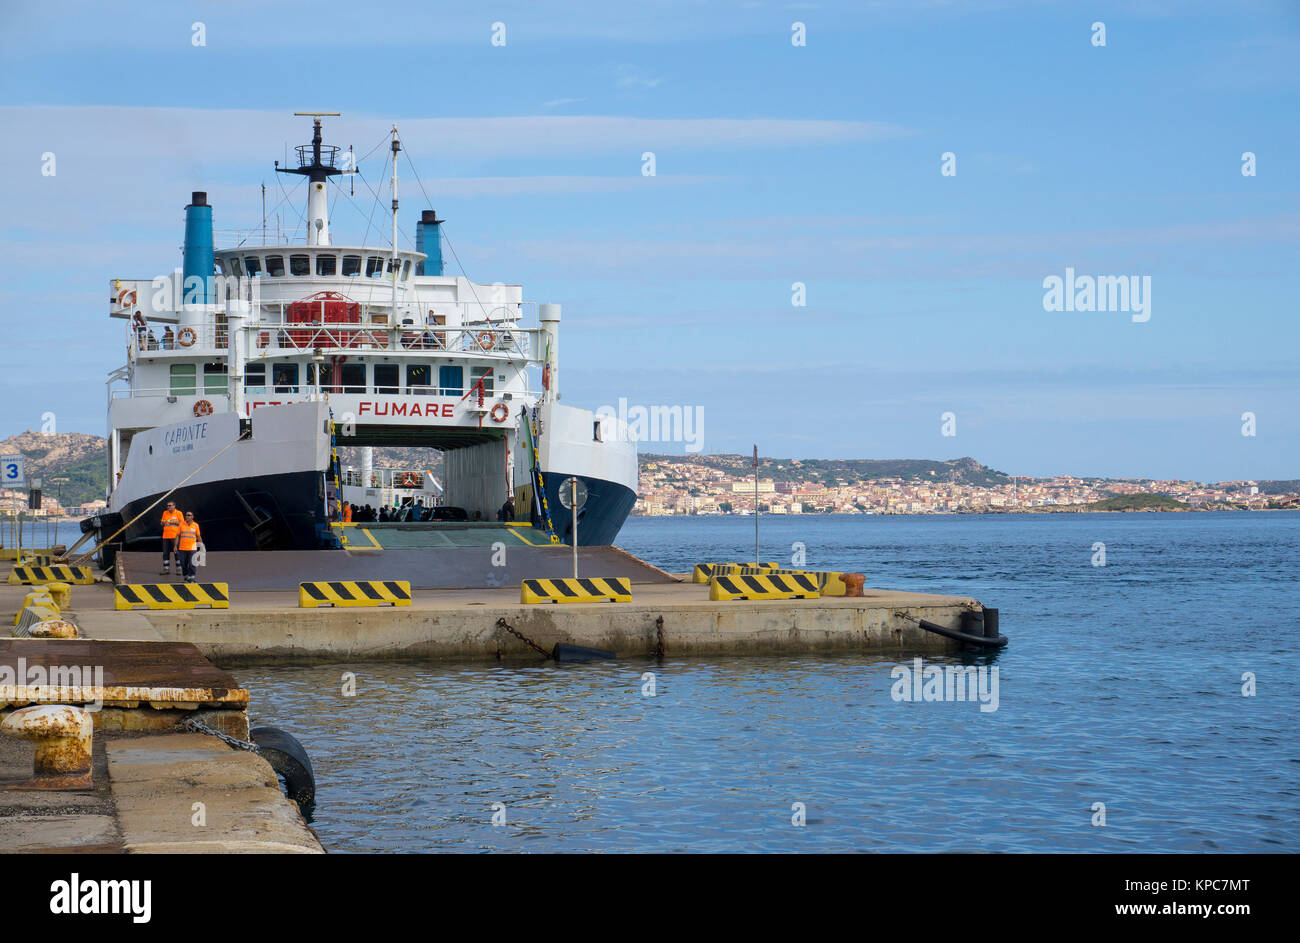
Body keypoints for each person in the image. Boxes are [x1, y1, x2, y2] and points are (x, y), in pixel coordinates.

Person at [176, 511, 202, 583]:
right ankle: (186, 577)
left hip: (192, 548)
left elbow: (198, 536)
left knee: (192, 563)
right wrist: (175, 546)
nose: (187, 516)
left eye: (189, 515)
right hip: (182, 548)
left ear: (192, 517)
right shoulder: (181, 525)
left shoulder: (196, 525)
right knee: (183, 564)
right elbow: (177, 535)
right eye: (186, 515)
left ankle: (192, 578)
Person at [160, 501, 183, 575]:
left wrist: (174, 522)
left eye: (170, 505)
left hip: (175, 536)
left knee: (177, 552)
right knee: (165, 553)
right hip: (166, 536)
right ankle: (166, 569)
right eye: (167, 506)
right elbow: (162, 523)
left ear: (174, 506)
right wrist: (163, 522)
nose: (168, 507)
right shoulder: (165, 513)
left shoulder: (178, 513)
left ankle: (179, 569)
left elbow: (182, 524)